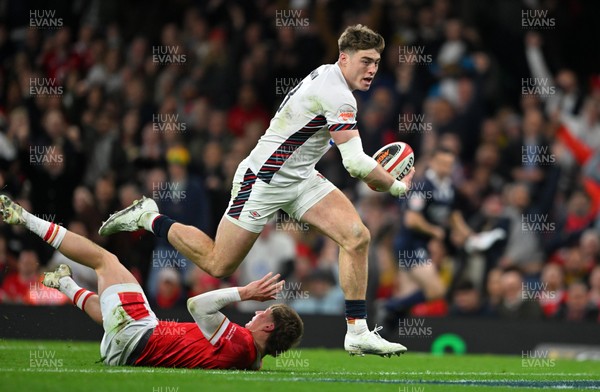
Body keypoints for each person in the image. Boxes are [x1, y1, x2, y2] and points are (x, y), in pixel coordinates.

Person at [98, 25, 412, 356]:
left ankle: (357, 332)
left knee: (356, 236)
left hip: (300, 177)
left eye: (376, 62)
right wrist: (395, 186)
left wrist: (384, 181)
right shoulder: (338, 95)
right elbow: (356, 165)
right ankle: (148, 216)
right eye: (365, 61)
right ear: (344, 58)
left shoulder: (329, 75)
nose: (372, 69)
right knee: (219, 265)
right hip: (262, 180)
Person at [0, 195, 303, 369]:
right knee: (115, 311)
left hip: (137, 337)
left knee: (106, 262)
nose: (256, 312)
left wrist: (245, 291)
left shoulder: (242, 343)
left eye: (263, 313)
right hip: (133, 344)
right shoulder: (253, 360)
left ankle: (25, 218)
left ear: (269, 327)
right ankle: (65, 283)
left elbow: (196, 304)